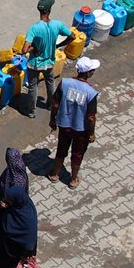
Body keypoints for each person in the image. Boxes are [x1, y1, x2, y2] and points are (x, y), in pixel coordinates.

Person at [0, 149, 39, 268]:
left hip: (16, 248)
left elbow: (30, 238)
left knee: (8, 264)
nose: (5, 201)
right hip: (6, 240)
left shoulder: (27, 217)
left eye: (8, 200)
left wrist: (26, 256)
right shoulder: (18, 207)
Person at [47, 57, 99, 188]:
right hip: (81, 130)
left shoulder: (64, 83)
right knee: (77, 154)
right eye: (92, 70)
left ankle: (55, 174)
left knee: (61, 149)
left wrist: (52, 120)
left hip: (64, 125)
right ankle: (73, 179)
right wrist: (92, 133)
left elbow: (55, 104)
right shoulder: (91, 92)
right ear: (88, 73)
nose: (93, 72)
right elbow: (91, 117)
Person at [21, 0, 75, 112]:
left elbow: (24, 50)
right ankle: (50, 105)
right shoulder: (57, 24)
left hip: (34, 64)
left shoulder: (34, 28)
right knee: (50, 83)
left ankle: (31, 111)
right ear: (49, 11)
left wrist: (34, 48)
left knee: (33, 87)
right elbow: (72, 36)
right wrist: (59, 45)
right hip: (49, 62)